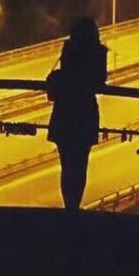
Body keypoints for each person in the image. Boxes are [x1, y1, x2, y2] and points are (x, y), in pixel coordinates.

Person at [45, 17, 109, 210]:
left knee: (66, 164)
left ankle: (69, 207)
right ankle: (73, 207)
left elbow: (63, 78)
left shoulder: (70, 50)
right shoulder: (98, 52)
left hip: (64, 111)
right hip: (85, 112)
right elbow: (99, 81)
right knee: (80, 164)